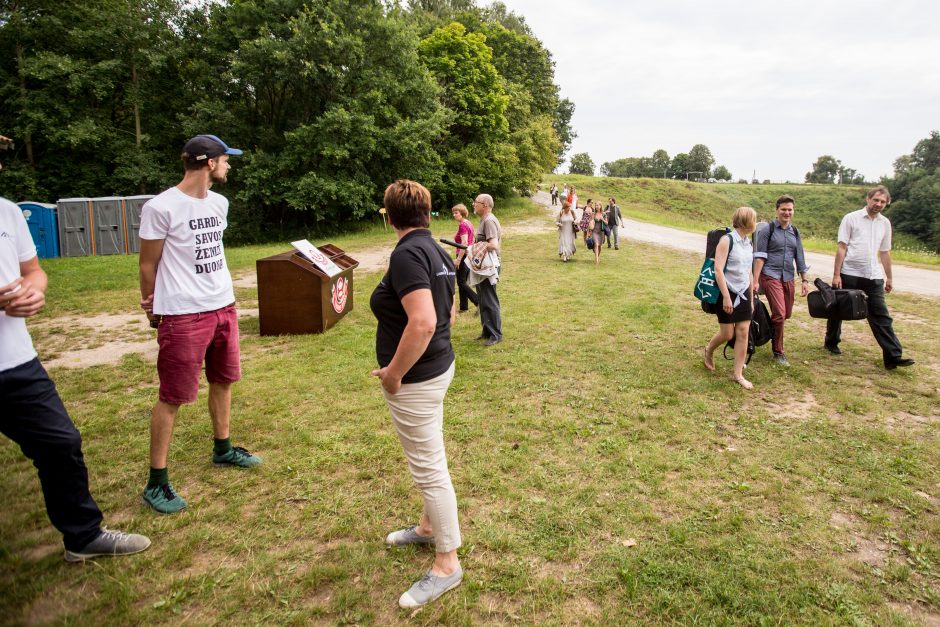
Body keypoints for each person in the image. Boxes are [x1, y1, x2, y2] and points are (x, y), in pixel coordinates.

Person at [0, 196, 151, 561]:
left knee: (60, 443)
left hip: (15, 360)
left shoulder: (6, 210)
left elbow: (33, 269)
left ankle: (82, 537)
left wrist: (35, 289)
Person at [138, 134, 261, 515]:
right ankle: (156, 481)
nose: (229, 165)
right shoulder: (161, 207)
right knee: (173, 396)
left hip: (222, 306)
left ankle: (223, 449)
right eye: (226, 159)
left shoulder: (220, 203)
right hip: (182, 313)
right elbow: (147, 264)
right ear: (209, 162)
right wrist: (151, 307)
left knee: (223, 381)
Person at [371, 180, 463, 609]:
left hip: (418, 379)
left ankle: (447, 563)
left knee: (429, 468)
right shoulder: (437, 251)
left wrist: (393, 374)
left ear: (389, 216)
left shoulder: (407, 253)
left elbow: (425, 321)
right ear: (427, 213)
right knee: (432, 456)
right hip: (438, 368)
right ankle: (428, 529)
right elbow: (448, 311)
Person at [825, 186, 914, 369]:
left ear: (886, 203)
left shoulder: (885, 223)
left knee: (881, 315)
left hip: (873, 276)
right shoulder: (851, 218)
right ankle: (831, 341)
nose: (878, 204)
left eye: (882, 202)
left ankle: (893, 356)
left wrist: (889, 278)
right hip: (849, 272)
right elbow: (842, 247)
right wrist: (836, 275)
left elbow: (885, 252)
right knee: (838, 310)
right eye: (876, 200)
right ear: (868, 199)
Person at [752, 195, 809, 366]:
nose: (787, 212)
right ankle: (778, 351)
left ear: (793, 211)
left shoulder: (795, 232)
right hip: (770, 275)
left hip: (788, 277)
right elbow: (759, 257)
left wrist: (805, 280)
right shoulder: (767, 230)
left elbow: (799, 256)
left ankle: (768, 328)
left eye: (790, 209)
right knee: (780, 314)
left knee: (786, 314)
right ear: (777, 210)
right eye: (783, 209)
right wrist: (755, 281)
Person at [704, 206, 757, 389]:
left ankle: (738, 374)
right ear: (746, 221)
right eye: (753, 219)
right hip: (726, 291)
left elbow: (748, 272)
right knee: (728, 333)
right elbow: (718, 270)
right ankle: (709, 350)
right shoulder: (727, 240)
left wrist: (750, 300)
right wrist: (726, 297)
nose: (755, 223)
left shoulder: (748, 243)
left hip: (743, 292)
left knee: (743, 331)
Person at [473, 193, 503, 346]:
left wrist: (474, 247)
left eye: (476, 202)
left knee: (489, 300)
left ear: (484, 204)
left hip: (490, 266)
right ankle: (487, 331)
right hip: (483, 267)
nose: (473, 204)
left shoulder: (489, 220)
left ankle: (496, 334)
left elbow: (493, 245)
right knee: (483, 299)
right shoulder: (484, 220)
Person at [450, 204, 479, 313]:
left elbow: (464, 243)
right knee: (462, 281)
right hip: (468, 254)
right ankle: (463, 307)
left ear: (462, 213)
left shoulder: (463, 225)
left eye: (456, 213)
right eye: (453, 213)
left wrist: (458, 259)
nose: (454, 215)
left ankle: (477, 302)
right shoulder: (468, 223)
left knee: (461, 282)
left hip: (463, 255)